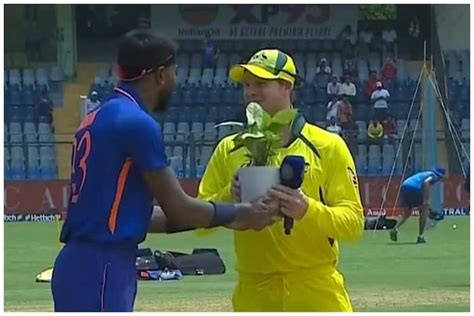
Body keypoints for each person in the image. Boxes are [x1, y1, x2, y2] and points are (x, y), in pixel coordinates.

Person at [50, 29, 279, 312]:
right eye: (174, 72)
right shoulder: (137, 123)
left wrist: (224, 214)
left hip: (84, 265)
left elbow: (139, 215)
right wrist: (241, 213)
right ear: (160, 75)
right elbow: (180, 209)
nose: (175, 80)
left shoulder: (98, 116)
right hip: (103, 266)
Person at [197, 48, 364, 312]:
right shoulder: (229, 148)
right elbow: (199, 223)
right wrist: (229, 196)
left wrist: (307, 209)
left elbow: (354, 224)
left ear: (287, 86)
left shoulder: (328, 146)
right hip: (254, 294)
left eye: (261, 83)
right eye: (247, 84)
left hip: (316, 292)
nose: (250, 91)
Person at [389, 166, 447, 244]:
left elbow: (422, 188)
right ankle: (421, 236)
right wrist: (426, 201)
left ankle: (395, 228)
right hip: (414, 187)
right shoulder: (434, 176)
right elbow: (426, 183)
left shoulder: (426, 173)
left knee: (408, 212)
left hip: (405, 185)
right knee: (423, 211)